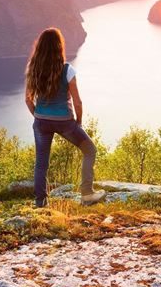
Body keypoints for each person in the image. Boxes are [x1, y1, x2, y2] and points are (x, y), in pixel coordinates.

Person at [24, 28, 106, 208]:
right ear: (59, 47)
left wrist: (39, 117)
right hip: (65, 123)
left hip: (41, 122)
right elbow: (78, 102)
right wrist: (78, 122)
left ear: (40, 47)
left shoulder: (33, 67)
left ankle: (40, 203)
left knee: (41, 164)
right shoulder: (67, 70)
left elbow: (28, 100)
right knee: (90, 151)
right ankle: (87, 195)